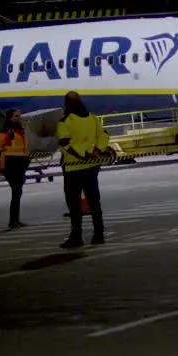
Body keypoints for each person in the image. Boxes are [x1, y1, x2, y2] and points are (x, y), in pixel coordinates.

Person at [57, 91, 110, 248]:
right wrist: (97, 151)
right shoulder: (92, 118)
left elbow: (65, 144)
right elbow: (104, 136)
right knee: (94, 200)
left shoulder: (65, 121)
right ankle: (99, 235)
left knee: (73, 204)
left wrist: (82, 155)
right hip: (92, 166)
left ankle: (77, 237)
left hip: (74, 167)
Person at [0, 110, 30, 230]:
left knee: (17, 193)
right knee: (16, 191)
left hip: (20, 165)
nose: (19, 118)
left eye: (20, 116)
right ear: (10, 118)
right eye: (16, 116)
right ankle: (12, 221)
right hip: (10, 164)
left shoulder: (21, 131)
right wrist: (0, 166)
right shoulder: (4, 133)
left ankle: (15, 220)